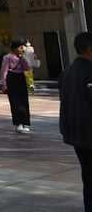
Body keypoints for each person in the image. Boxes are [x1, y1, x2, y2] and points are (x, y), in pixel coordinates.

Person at [59, 31, 92, 212]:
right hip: (88, 132)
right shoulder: (89, 71)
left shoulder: (68, 72)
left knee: (88, 176)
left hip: (75, 133)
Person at [1, 40, 33, 134]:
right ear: (14, 49)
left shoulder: (22, 57)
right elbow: (4, 71)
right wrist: (4, 84)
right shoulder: (8, 57)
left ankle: (25, 122)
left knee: (24, 100)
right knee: (15, 102)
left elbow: (27, 68)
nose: (22, 49)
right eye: (20, 47)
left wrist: (24, 58)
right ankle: (18, 123)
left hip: (21, 78)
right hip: (12, 78)